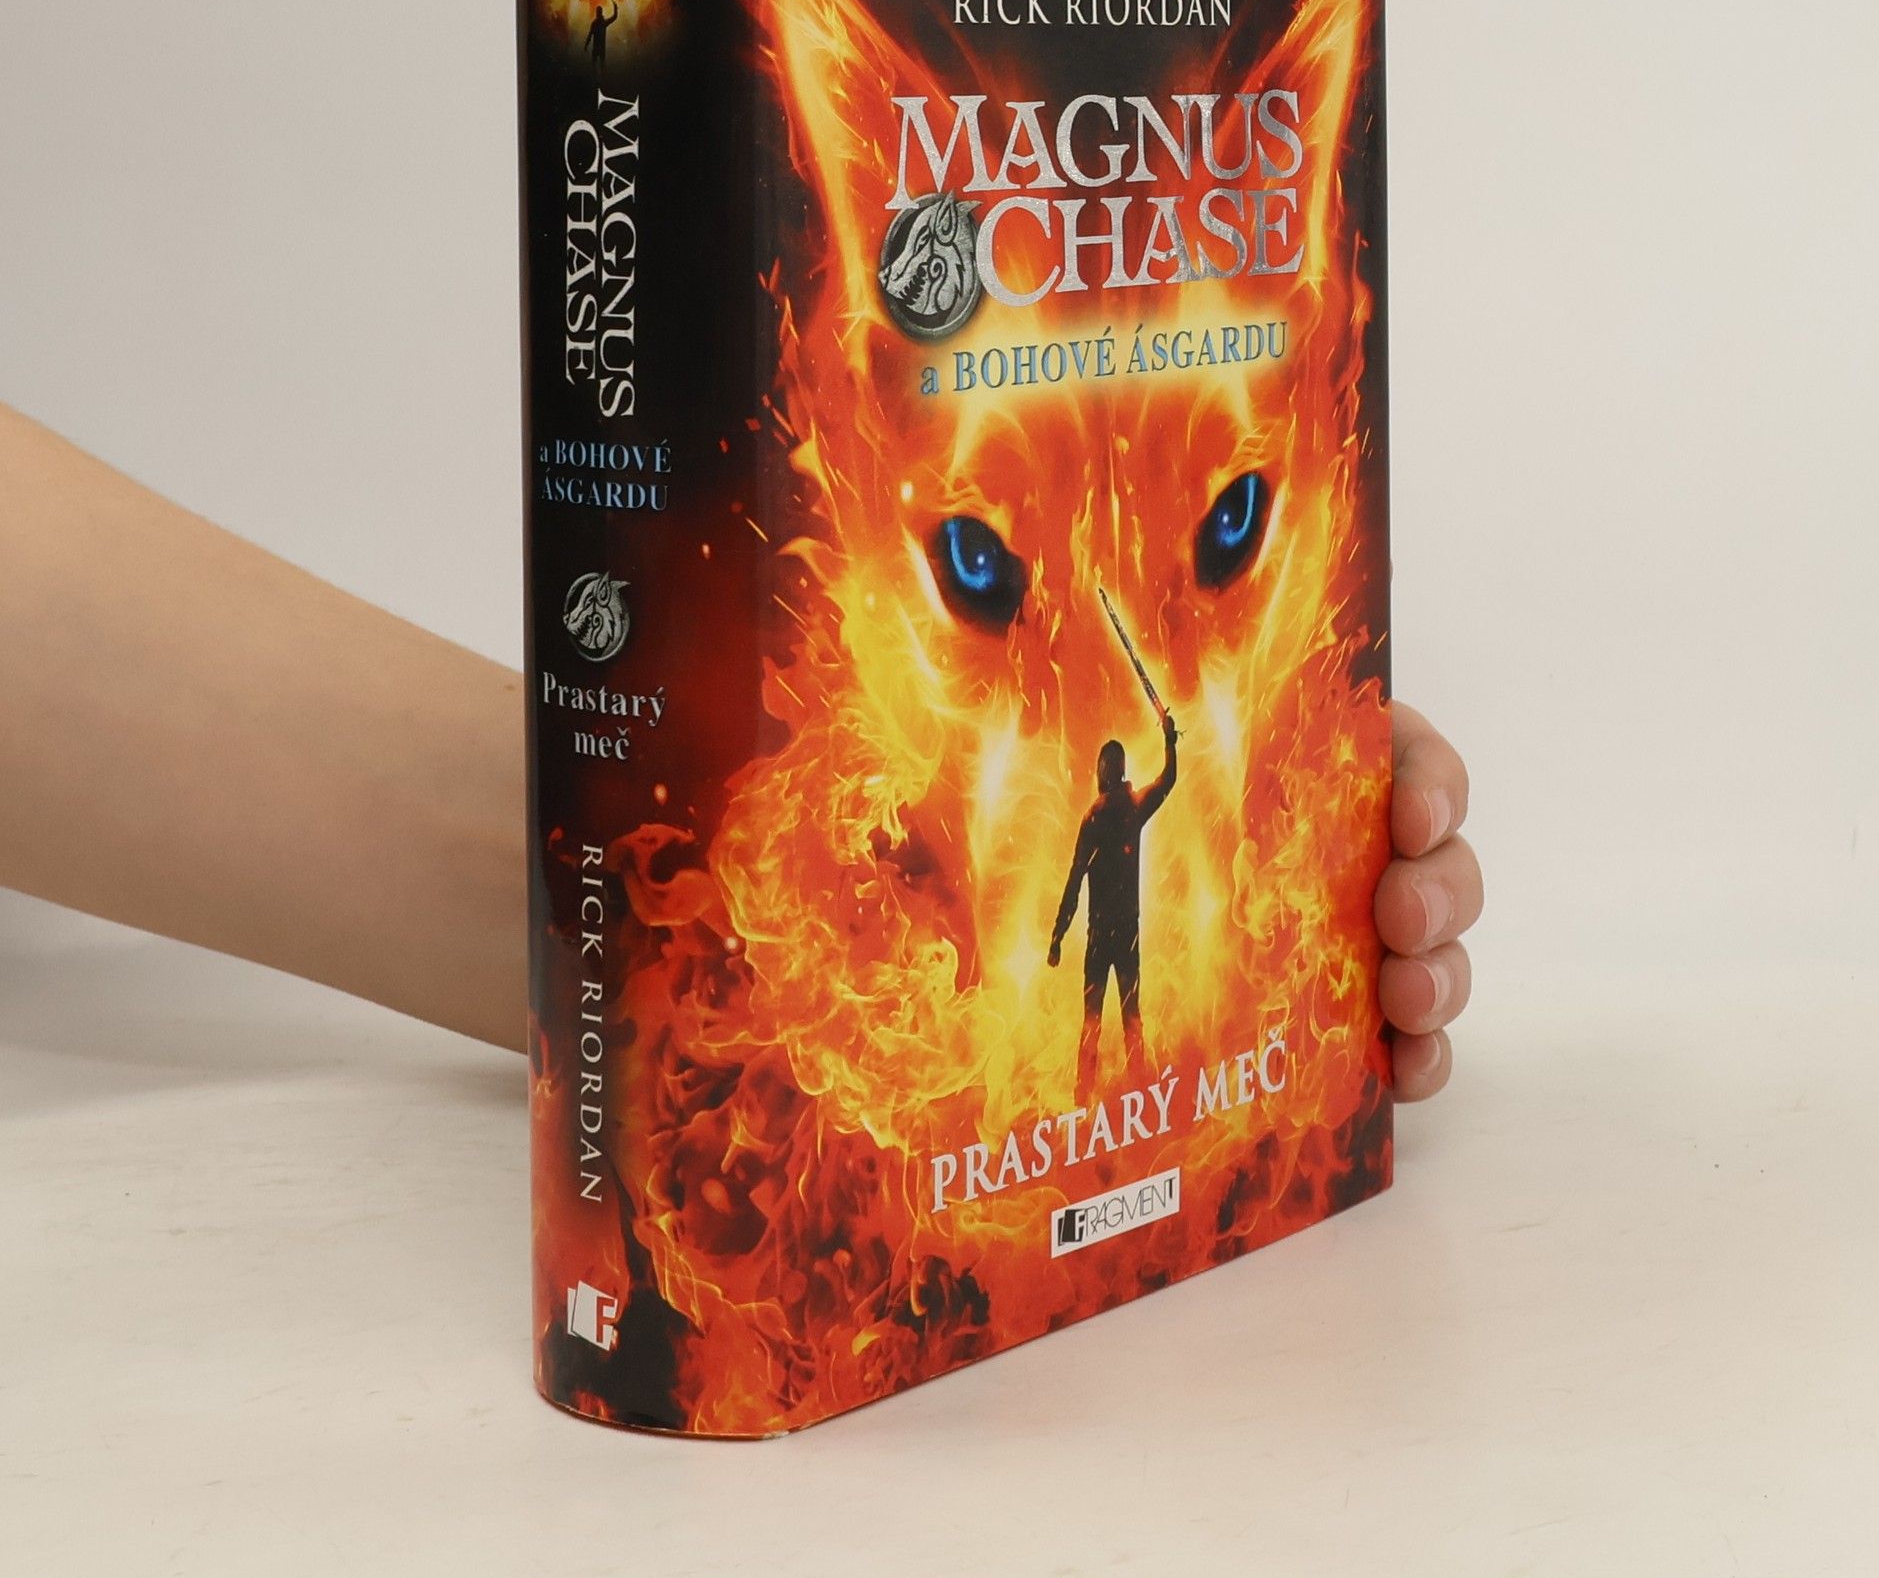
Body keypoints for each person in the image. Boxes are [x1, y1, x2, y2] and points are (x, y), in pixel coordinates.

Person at [0, 404, 1481, 1098]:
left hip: (1070, 929)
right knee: (1107, 1002)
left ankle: (611, 921)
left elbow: (1157, 772)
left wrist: (617, 895)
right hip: (1080, 930)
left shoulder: (1120, 808)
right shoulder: (1113, 817)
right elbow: (1144, 776)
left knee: (1122, 1008)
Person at [1049, 710, 1179, 1101]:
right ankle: (1139, 1095)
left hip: (1100, 936)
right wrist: (1169, 741)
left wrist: (1058, 935)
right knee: (1131, 1017)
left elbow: (1074, 881)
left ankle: (1083, 1096)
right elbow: (1168, 780)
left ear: (1102, 772)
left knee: (1092, 1020)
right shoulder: (1132, 809)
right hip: (1127, 934)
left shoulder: (1093, 820)